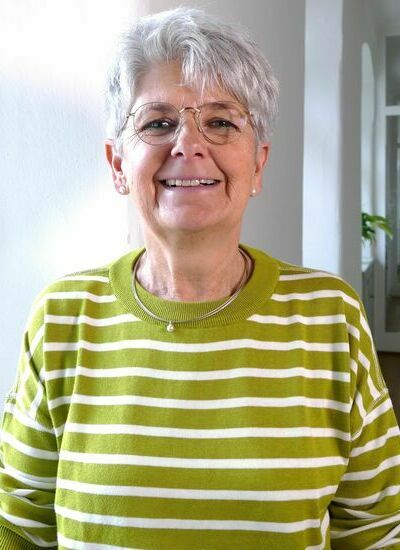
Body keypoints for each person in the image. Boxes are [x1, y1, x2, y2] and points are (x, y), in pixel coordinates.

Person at [1, 7, 400, 549]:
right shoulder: (63, 316)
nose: (188, 144)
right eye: (158, 122)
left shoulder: (331, 316)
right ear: (118, 165)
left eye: (221, 122)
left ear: (257, 164)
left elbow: (377, 530)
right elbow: (18, 526)